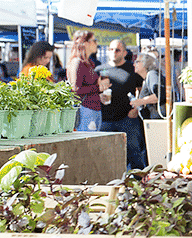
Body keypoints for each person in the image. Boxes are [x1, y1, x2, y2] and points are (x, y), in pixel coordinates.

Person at [96, 39, 147, 170]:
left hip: (127, 117)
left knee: (134, 152)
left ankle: (140, 183)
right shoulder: (100, 69)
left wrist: (137, 107)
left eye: (117, 50)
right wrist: (99, 96)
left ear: (124, 53)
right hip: (105, 118)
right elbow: (95, 91)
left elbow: (142, 89)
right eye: (111, 49)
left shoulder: (132, 69)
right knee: (106, 154)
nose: (114, 52)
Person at [67, 30, 102, 132]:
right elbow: (75, 90)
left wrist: (99, 92)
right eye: (94, 40)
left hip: (94, 108)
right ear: (85, 43)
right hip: (85, 110)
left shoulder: (89, 62)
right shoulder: (77, 62)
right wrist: (97, 87)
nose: (96, 44)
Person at [131, 51, 164, 120]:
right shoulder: (147, 78)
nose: (134, 64)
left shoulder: (152, 74)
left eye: (137, 62)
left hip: (157, 120)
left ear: (145, 64)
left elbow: (159, 95)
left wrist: (140, 101)